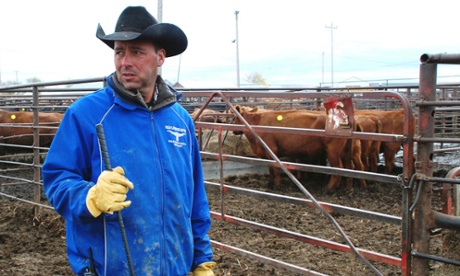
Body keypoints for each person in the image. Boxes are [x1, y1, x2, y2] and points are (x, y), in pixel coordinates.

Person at [42, 6, 216, 276]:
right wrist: (90, 196)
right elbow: (57, 178)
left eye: (136, 52)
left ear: (160, 57)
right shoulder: (87, 115)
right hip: (111, 267)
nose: (124, 62)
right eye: (119, 51)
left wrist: (201, 260)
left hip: (175, 267)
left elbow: (193, 197)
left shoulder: (181, 121)